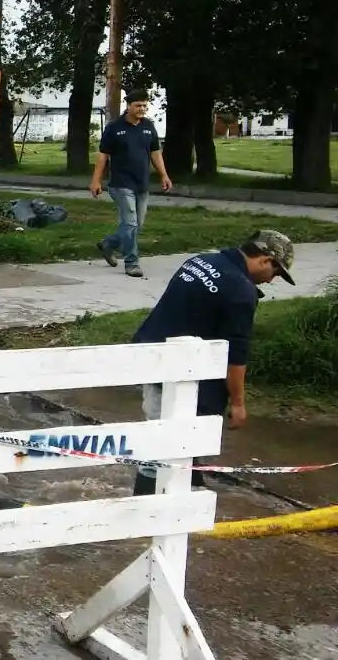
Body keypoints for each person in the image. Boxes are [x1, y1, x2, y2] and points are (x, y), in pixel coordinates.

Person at [129, 229, 296, 496]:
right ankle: (146, 516)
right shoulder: (241, 290)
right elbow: (236, 356)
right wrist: (239, 403)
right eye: (276, 274)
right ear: (266, 260)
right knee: (162, 452)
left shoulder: (200, 261)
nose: (271, 280)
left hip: (154, 358)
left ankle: (183, 503)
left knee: (174, 443)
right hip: (184, 374)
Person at [90, 89, 173, 278]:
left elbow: (155, 153)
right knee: (130, 223)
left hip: (142, 183)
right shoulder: (114, 127)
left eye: (144, 105)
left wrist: (164, 175)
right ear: (128, 106)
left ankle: (108, 244)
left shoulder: (148, 126)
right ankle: (131, 263)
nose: (142, 109)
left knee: (137, 224)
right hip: (120, 183)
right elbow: (103, 156)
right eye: (138, 105)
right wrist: (96, 180)